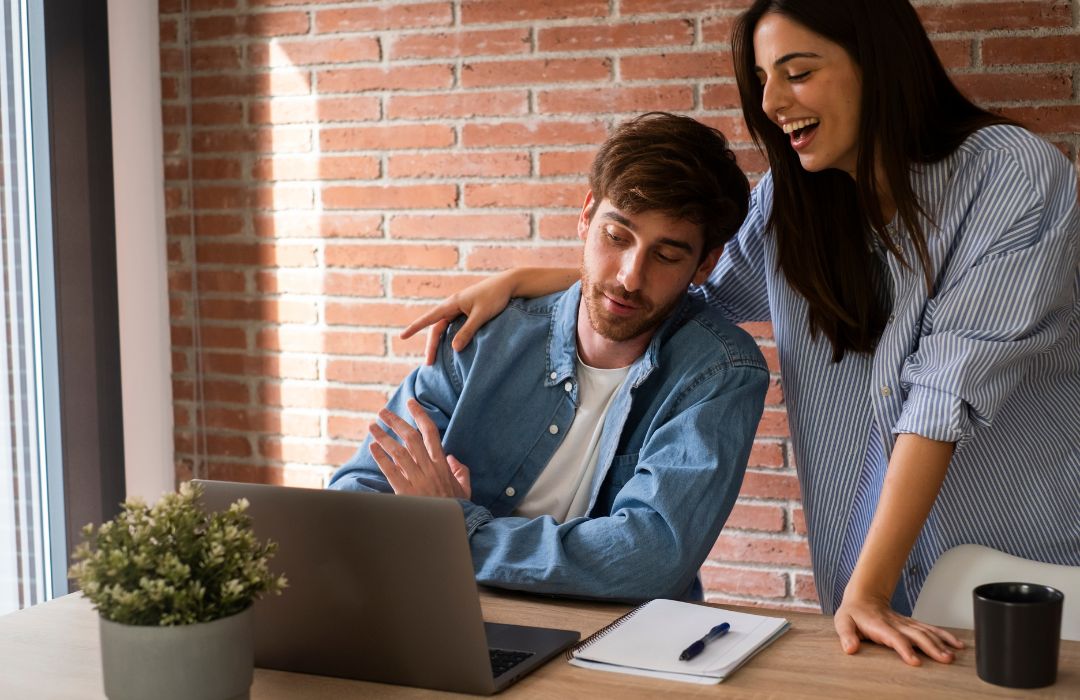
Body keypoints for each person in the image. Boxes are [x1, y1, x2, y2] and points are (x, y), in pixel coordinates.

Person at [401, 0, 1080, 665]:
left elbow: (943, 392)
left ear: (878, 64)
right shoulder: (793, 207)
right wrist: (532, 280)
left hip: (1023, 576)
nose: (772, 102)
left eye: (798, 71)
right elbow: (685, 287)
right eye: (761, 80)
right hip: (863, 597)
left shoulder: (1011, 174)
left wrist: (868, 589)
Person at [328, 113, 769, 602]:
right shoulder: (483, 339)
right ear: (586, 216)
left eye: (665, 256)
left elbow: (650, 557)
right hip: (451, 614)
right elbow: (357, 496)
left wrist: (456, 532)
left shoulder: (719, 373)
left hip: (613, 642)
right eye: (616, 237)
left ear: (704, 264)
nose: (629, 276)